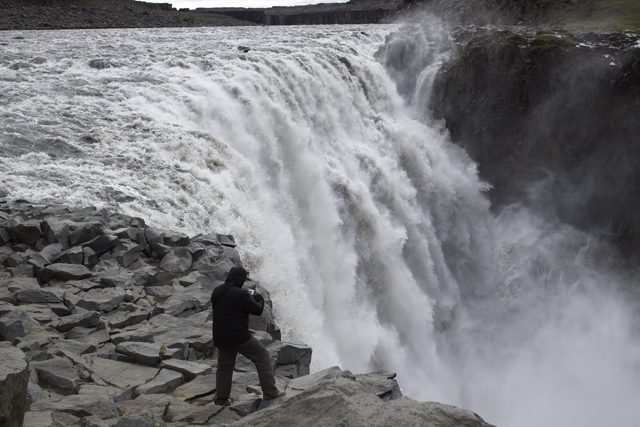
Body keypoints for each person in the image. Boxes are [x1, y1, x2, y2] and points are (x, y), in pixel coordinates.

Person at [211, 266, 286, 406]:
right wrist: (257, 296)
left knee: (224, 366)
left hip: (221, 336)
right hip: (239, 337)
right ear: (239, 279)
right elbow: (257, 310)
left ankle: (221, 399)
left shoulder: (217, 290)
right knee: (262, 356)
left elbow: (226, 305)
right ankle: (270, 392)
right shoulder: (240, 294)